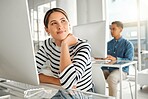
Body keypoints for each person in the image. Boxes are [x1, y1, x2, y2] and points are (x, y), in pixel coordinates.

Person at [35, 8, 94, 92]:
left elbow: (68, 83)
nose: (60, 26)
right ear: (47, 30)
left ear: (69, 24)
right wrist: (57, 81)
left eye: (63, 21)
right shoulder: (48, 44)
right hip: (62, 92)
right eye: (53, 23)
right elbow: (31, 73)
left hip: (83, 94)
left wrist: (64, 45)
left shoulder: (83, 46)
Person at [101, 21, 134, 97]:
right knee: (96, 75)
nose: (111, 31)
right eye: (110, 29)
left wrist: (116, 59)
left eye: (114, 29)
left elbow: (129, 60)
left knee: (111, 78)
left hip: (121, 70)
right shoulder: (108, 44)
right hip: (107, 68)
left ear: (120, 30)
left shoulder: (128, 44)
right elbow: (104, 56)